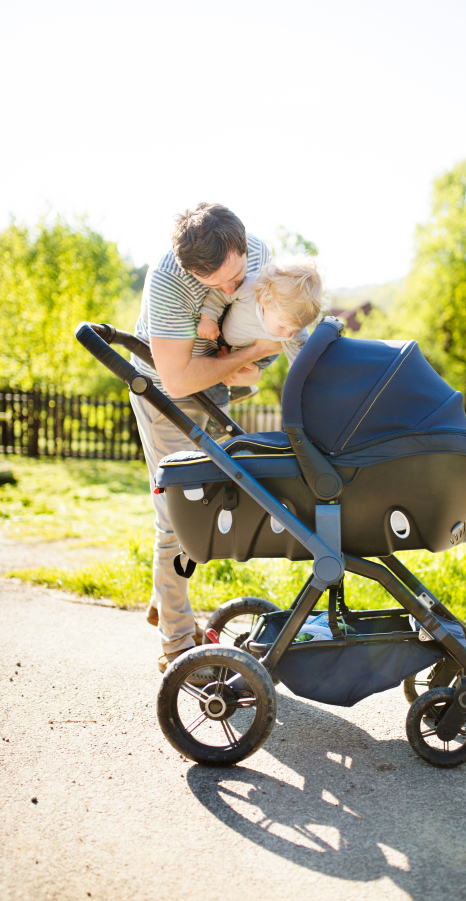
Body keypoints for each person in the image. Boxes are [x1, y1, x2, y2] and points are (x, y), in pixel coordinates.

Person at [129, 202, 281, 672]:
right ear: (190, 270)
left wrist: (247, 363)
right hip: (164, 392)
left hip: (216, 382)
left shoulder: (257, 252)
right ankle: (176, 641)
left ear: (242, 244)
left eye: (235, 276)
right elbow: (176, 380)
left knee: (203, 503)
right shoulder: (169, 281)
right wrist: (250, 354)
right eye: (215, 285)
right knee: (177, 511)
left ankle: (165, 603)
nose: (230, 290)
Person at [196, 255, 323, 381]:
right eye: (283, 326)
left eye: (298, 328)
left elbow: (301, 361)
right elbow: (219, 295)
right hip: (224, 338)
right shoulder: (249, 287)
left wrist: (303, 378)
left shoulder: (295, 324)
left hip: (259, 357)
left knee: (239, 371)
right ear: (264, 299)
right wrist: (208, 319)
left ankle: (240, 386)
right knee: (210, 364)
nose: (288, 334)